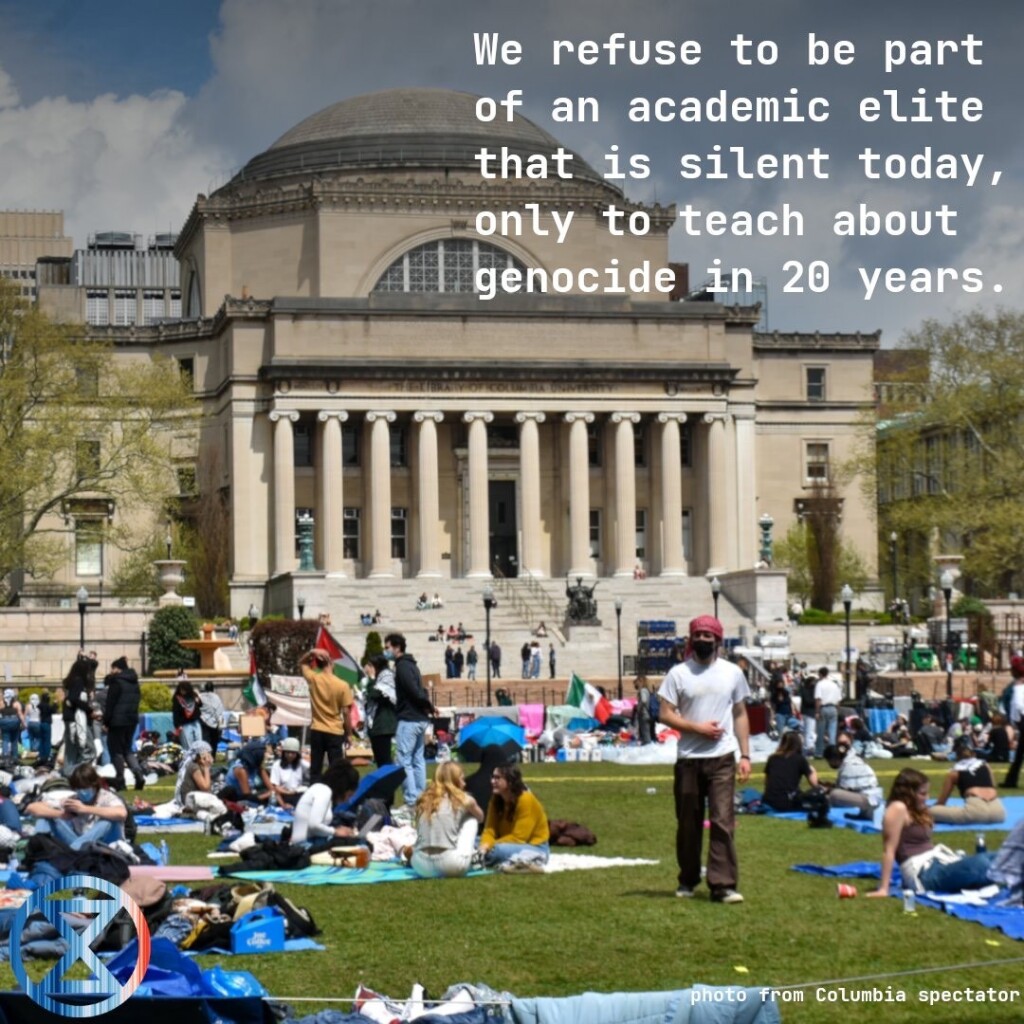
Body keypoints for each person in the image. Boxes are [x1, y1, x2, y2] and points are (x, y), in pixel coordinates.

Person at [657, 615, 751, 904]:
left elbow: (740, 713)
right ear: (691, 640)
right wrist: (697, 728)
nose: (703, 641)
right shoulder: (678, 674)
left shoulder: (732, 673)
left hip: (722, 756)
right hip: (688, 758)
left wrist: (745, 754)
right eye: (698, 636)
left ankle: (722, 885)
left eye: (708, 637)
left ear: (718, 641)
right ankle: (687, 878)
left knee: (722, 820)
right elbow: (665, 714)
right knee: (688, 822)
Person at [867, 768, 995, 898]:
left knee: (995, 857)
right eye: (923, 794)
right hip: (923, 873)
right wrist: (884, 888)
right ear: (908, 793)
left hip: (937, 862)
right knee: (982, 863)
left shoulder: (917, 810)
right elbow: (889, 850)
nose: (927, 798)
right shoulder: (898, 808)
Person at [409, 761, 485, 879]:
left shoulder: (423, 799)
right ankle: (474, 855)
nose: (464, 784)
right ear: (455, 781)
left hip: (420, 865)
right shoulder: (465, 799)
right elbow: (481, 818)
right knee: (471, 818)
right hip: (450, 864)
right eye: (462, 779)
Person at [386, 632, 436, 806]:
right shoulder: (411, 665)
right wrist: (428, 706)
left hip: (409, 719)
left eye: (388, 648)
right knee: (417, 759)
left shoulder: (403, 667)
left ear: (397, 647)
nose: (387, 652)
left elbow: (413, 691)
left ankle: (412, 800)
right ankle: (420, 798)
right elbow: (419, 690)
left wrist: (427, 705)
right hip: (419, 718)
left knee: (404, 760)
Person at [26, 764, 127, 850]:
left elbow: (121, 813)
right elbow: (32, 807)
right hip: (78, 843)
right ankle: (38, 853)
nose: (81, 792)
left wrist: (85, 809)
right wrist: (60, 814)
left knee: (106, 823)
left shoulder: (106, 797)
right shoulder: (73, 800)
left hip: (105, 845)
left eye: (84, 787)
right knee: (47, 818)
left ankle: (72, 853)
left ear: (94, 785)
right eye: (78, 788)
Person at [479, 763, 550, 872]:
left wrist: (489, 846)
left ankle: (478, 858)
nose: (492, 781)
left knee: (496, 851)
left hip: (533, 847)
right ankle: (479, 856)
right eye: (492, 777)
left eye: (497, 778)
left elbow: (519, 838)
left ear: (510, 781)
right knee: (472, 840)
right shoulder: (495, 799)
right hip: (504, 842)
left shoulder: (525, 799)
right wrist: (484, 845)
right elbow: (489, 830)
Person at [299, 647, 355, 783]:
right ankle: (336, 797)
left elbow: (302, 663)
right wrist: (349, 734)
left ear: (317, 664)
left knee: (316, 769)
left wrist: (312, 652)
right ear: (331, 663)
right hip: (335, 730)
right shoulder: (342, 685)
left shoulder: (314, 679)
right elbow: (346, 712)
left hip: (317, 728)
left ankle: (314, 794)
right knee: (336, 769)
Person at [930, 736, 1006, 824]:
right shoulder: (985, 765)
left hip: (975, 813)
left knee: (931, 811)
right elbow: (993, 786)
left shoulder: (954, 773)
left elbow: (941, 802)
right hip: (998, 812)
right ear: (974, 753)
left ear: (956, 754)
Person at [289, 757, 360, 846]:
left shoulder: (321, 790)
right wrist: (335, 831)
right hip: (305, 844)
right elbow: (314, 825)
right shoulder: (324, 791)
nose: (348, 800)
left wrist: (337, 829)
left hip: (308, 841)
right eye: (349, 795)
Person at [104, 656, 145, 792]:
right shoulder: (134, 681)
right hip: (131, 720)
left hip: (117, 721)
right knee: (127, 749)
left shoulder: (116, 682)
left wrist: (106, 721)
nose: (111, 671)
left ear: (118, 668)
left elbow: (110, 704)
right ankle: (138, 774)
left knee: (116, 751)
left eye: (113, 668)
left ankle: (120, 779)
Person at [822, 735, 882, 819]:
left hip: (869, 800)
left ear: (833, 759)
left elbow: (845, 789)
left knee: (833, 795)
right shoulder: (852, 760)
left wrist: (829, 790)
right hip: (871, 797)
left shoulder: (849, 765)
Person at [762, 730, 820, 812]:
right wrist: (812, 771)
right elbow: (814, 784)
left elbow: (766, 782)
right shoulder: (800, 759)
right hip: (787, 802)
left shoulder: (772, 758)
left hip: (769, 801)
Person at [61, 653, 98, 777]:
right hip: (77, 720)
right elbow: (74, 699)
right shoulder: (78, 682)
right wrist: (89, 709)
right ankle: (75, 772)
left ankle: (69, 773)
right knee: (89, 751)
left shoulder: (70, 682)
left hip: (69, 719)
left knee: (71, 752)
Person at [363, 655, 397, 769]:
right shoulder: (378, 679)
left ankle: (388, 783)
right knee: (380, 759)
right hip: (377, 726)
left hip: (383, 726)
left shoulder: (386, 676)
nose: (366, 668)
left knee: (384, 759)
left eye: (369, 665)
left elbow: (375, 694)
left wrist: (372, 678)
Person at [221, 740, 273, 804]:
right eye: (263, 754)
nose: (266, 757)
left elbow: (270, 787)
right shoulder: (241, 770)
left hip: (249, 795)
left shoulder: (256, 765)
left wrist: (273, 791)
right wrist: (269, 794)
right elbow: (247, 796)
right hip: (237, 799)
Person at [1001, 655, 1024, 787]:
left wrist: (1016, 721)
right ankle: (1010, 781)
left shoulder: (1016, 687)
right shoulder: (1016, 686)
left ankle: (1010, 781)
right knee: (1019, 754)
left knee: (1019, 754)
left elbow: (1018, 706)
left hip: (1022, 721)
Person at [270, 736, 308, 806]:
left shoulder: (303, 765)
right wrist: (283, 804)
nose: (290, 755)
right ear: (283, 753)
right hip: (283, 795)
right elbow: (275, 787)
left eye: (293, 753)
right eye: (288, 752)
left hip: (299, 795)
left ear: (297, 753)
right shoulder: (277, 765)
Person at [814, 666, 842, 758]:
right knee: (832, 732)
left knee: (821, 732)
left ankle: (819, 752)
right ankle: (832, 752)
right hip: (833, 708)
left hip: (824, 707)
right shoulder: (834, 684)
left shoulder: (820, 684)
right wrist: (837, 710)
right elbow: (838, 700)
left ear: (820, 674)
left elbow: (818, 699)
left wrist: (817, 712)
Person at [172, 679, 203, 749]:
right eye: (181, 689)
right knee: (188, 745)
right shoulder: (177, 699)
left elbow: (200, 704)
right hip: (184, 724)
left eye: (184, 690)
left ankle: (198, 758)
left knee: (199, 743)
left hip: (195, 722)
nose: (182, 692)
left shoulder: (193, 696)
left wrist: (198, 701)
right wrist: (177, 725)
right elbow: (175, 713)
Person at [199, 681, 226, 752]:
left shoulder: (200, 696)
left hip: (203, 723)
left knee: (205, 743)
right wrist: (221, 727)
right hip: (215, 725)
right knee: (213, 744)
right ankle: (211, 759)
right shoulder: (216, 697)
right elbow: (220, 712)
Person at [0, 689, 24, 761]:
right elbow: (20, 714)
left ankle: (5, 755)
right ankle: (15, 756)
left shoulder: (1, 703)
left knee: (5, 739)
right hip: (14, 721)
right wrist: (24, 724)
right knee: (14, 740)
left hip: (4, 721)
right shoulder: (16, 703)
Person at [634, 676, 653, 745]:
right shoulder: (647, 690)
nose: (635, 685)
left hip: (644, 715)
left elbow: (643, 700)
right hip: (647, 715)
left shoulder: (643, 690)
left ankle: (648, 749)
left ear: (640, 682)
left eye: (636, 683)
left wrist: (638, 708)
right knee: (645, 734)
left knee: (646, 735)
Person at [37, 691, 54, 766]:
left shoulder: (39, 705)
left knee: (41, 740)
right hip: (47, 723)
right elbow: (52, 711)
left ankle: (41, 755)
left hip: (41, 723)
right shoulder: (48, 706)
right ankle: (47, 756)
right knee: (47, 741)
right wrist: (55, 705)